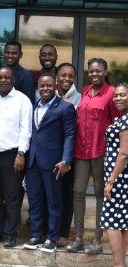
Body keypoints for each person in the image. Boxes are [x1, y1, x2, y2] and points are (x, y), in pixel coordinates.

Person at [67, 58, 119, 254]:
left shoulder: (112, 93)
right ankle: (79, 238)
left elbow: (117, 122)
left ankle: (97, 240)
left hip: (101, 151)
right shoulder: (85, 91)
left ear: (105, 72)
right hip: (81, 150)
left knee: (100, 194)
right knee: (78, 191)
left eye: (98, 71)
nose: (94, 74)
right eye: (91, 71)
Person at [23, 74, 76, 253]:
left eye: (49, 86)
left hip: (53, 163)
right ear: (38, 87)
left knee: (54, 202)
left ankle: (52, 238)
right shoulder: (34, 106)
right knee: (35, 200)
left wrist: (66, 160)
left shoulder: (65, 107)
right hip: (33, 161)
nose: (45, 89)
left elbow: (70, 135)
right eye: (42, 86)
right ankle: (36, 235)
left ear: (55, 86)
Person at [0, 66, 32, 248]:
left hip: (12, 155)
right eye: (0, 77)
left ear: (13, 80)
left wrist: (21, 153)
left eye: (7, 77)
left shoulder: (22, 100)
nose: (3, 80)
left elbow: (26, 130)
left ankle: (11, 233)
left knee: (12, 197)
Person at [97, 83, 128, 267]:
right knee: (123, 223)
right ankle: (121, 266)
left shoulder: (125, 122)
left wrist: (111, 181)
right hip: (122, 179)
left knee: (112, 221)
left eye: (123, 95)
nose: (118, 98)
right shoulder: (123, 118)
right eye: (116, 95)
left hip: (120, 179)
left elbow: (124, 153)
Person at [55, 62, 81, 247]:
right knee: (50, 193)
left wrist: (67, 157)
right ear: (57, 76)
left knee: (67, 194)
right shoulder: (48, 95)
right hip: (50, 152)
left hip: (70, 153)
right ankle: (49, 229)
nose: (67, 79)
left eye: (70, 76)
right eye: (63, 75)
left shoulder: (80, 98)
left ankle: (63, 232)